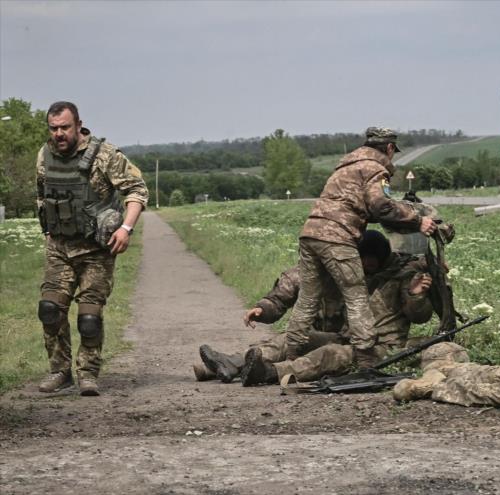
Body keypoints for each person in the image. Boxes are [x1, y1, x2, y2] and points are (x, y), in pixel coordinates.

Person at [194, 230, 435, 386]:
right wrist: (263, 308)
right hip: (341, 336)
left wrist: (416, 296)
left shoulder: (403, 275)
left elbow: (420, 316)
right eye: (360, 262)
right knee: (294, 337)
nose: (365, 268)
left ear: (382, 259)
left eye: (370, 264)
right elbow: (292, 284)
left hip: (373, 346)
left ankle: (268, 372)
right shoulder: (340, 269)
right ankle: (233, 363)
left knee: (329, 355)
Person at [287, 127, 436, 369]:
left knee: (308, 297)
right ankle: (366, 359)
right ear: (389, 148)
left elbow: (362, 207)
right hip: (337, 237)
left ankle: (292, 352)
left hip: (310, 233)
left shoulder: (345, 166)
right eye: (393, 152)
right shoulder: (376, 169)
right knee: (356, 295)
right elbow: (381, 207)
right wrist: (419, 221)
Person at [35, 101, 148, 396]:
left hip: (97, 249)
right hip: (60, 247)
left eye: (64, 127)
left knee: (89, 316)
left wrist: (126, 228)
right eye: (54, 128)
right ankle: (60, 371)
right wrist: (48, 229)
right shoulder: (44, 155)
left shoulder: (103, 155)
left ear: (78, 124)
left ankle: (87, 373)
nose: (59, 134)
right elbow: (42, 194)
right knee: (50, 309)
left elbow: (137, 190)